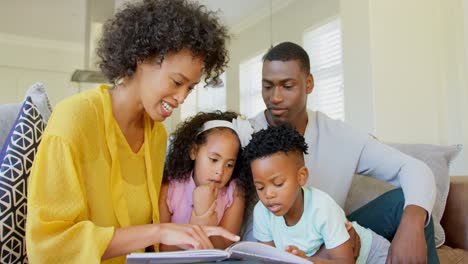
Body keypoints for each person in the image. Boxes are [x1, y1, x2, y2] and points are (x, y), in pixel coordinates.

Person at [26, 1, 239, 263]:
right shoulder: (74, 120)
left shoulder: (156, 135)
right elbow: (49, 245)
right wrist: (158, 231)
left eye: (190, 88)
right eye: (177, 82)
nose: (182, 97)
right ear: (142, 58)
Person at [245, 41, 438, 263]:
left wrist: (412, 225)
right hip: (274, 247)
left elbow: (415, 168)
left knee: (407, 203)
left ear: (308, 84)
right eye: (267, 86)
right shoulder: (245, 134)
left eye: (287, 86)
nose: (275, 97)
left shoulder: (341, 136)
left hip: (334, 231)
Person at [243, 125, 390, 264]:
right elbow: (269, 259)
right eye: (260, 187)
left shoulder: (322, 208)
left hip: (373, 257)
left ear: (301, 177)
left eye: (279, 184)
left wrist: (308, 261)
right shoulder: (262, 212)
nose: (268, 195)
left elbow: (346, 262)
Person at [159, 111, 254, 251]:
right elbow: (161, 248)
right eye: (214, 160)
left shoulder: (234, 192)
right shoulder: (170, 188)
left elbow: (226, 247)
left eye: (229, 165)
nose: (220, 171)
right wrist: (200, 222)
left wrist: (204, 214)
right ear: (194, 151)